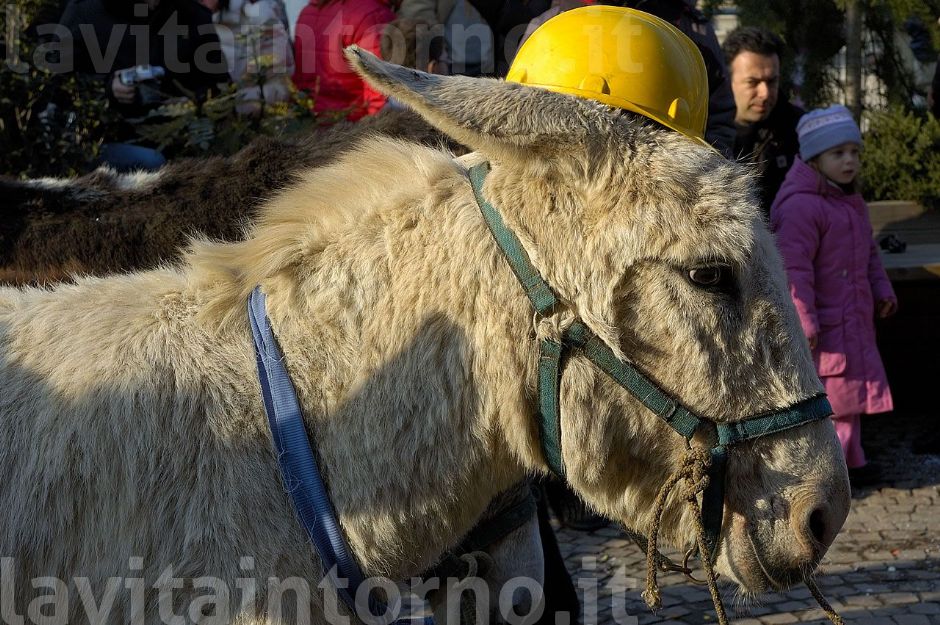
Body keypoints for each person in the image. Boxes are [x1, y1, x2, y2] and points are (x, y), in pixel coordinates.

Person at [770, 105, 897, 489]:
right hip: (823, 326)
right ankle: (831, 470)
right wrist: (803, 320)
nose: (849, 161)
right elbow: (793, 269)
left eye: (854, 152)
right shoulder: (801, 206)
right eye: (838, 153)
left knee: (849, 395)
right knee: (831, 399)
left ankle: (852, 460)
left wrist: (882, 289)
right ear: (814, 158)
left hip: (851, 317)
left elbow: (868, 254)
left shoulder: (849, 202)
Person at [59, 0, 231, 171]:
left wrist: (192, 102)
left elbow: (221, 86)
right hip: (104, 139)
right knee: (152, 162)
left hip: (178, 137)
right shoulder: (87, 10)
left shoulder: (192, 15)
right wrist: (107, 87)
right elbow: (57, 81)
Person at [722, 26, 804, 217]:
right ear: (727, 80)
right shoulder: (702, 133)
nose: (765, 93)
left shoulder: (800, 130)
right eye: (752, 82)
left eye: (772, 81)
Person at [292, 0, 396, 122]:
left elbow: (300, 81)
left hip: (310, 123)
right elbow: (381, 91)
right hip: (354, 125)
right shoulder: (371, 14)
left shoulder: (307, 13)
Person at [211, 0, 296, 113]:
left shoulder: (261, 16)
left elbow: (276, 68)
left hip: (259, 110)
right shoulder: (207, 19)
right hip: (236, 109)